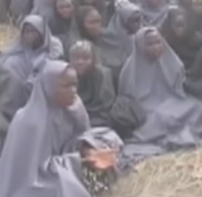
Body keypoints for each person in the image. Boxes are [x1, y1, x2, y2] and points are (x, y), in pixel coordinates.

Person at [0, 60, 123, 197]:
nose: (73, 91)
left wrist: (87, 149)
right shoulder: (29, 122)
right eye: (66, 86)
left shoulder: (75, 107)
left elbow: (79, 137)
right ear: (48, 87)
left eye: (75, 85)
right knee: (64, 184)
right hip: (36, 181)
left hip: (66, 162)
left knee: (107, 138)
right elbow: (33, 173)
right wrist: (80, 160)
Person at [117, 27, 202, 161]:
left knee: (199, 107)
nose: (155, 47)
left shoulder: (171, 59)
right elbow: (129, 102)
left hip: (172, 101)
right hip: (147, 110)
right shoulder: (130, 69)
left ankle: (181, 133)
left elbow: (178, 89)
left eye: (158, 42)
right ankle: (173, 134)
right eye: (150, 44)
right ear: (141, 45)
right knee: (164, 118)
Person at [69, 40, 145, 137]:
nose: (80, 62)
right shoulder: (68, 75)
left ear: (93, 59)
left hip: (101, 114)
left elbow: (105, 105)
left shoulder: (102, 75)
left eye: (86, 58)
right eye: (76, 58)